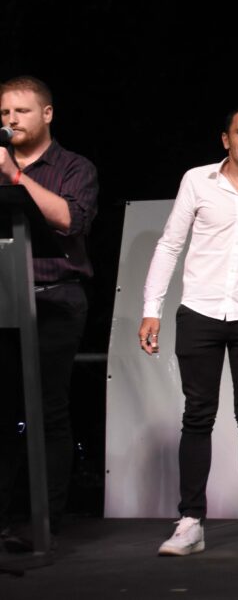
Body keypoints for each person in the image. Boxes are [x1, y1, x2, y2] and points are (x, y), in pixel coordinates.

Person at [138, 105, 238, 556]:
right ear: (226, 139)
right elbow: (170, 244)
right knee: (197, 416)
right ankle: (191, 521)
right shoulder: (197, 180)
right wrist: (151, 310)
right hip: (200, 311)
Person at [0, 75, 98, 542]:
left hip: (55, 298)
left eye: (20, 111)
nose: (11, 120)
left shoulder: (74, 167)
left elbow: (70, 220)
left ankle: (42, 520)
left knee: (46, 408)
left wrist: (15, 177)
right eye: (4, 113)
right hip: (4, 299)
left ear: (47, 113)